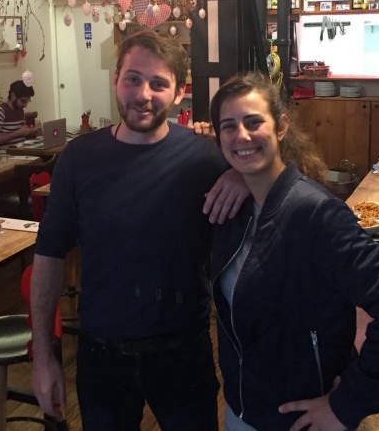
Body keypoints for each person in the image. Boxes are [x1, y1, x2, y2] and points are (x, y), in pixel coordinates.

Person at [30, 30, 247, 430]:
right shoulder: (79, 158)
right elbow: (48, 255)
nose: (143, 94)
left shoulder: (207, 158)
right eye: (133, 78)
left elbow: (282, 183)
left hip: (184, 352)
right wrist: (43, 358)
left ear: (179, 93)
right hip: (101, 356)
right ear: (116, 80)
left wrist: (242, 174)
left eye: (158, 83)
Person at [209, 72, 379, 431]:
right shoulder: (235, 209)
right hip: (242, 410)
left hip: (301, 419)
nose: (242, 135)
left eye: (253, 122)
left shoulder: (315, 213)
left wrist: (348, 404)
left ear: (282, 126)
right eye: (229, 126)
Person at [0, 80, 38, 144]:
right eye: (23, 101)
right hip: (8, 149)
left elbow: (21, 133)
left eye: (27, 101)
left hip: (22, 146)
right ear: (13, 95)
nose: (25, 105)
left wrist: (29, 131)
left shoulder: (20, 110)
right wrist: (18, 133)